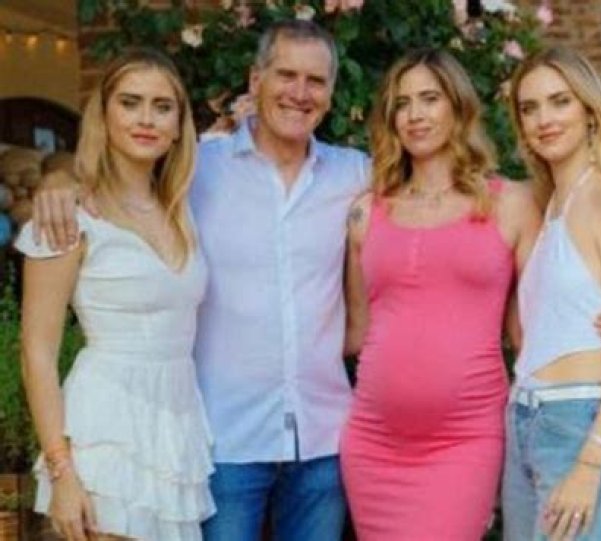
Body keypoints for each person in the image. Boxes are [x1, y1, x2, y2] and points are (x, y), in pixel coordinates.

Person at [31, 20, 368, 541]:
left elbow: (433, 193)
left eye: (316, 81)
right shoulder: (197, 172)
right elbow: (120, 180)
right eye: (286, 75)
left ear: (331, 92)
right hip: (224, 441)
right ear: (255, 80)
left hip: (322, 438)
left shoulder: (356, 175)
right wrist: (58, 180)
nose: (299, 93)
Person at [339, 48, 541, 541]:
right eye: (402, 103)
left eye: (429, 98)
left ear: (458, 106)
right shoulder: (366, 212)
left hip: (464, 439)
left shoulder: (510, 204)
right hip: (373, 440)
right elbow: (355, 332)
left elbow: (531, 331)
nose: (415, 114)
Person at [16, 48, 214, 541]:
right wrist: (62, 471)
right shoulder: (69, 214)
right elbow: (37, 352)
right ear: (103, 114)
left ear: (178, 125)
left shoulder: (180, 208)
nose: (146, 119)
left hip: (176, 429)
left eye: (162, 107)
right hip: (105, 433)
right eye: (130, 102)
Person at [501, 47, 601, 541]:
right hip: (525, 417)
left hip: (578, 423)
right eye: (529, 108)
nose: (544, 119)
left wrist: (591, 462)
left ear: (590, 109)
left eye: (560, 101)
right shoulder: (548, 203)